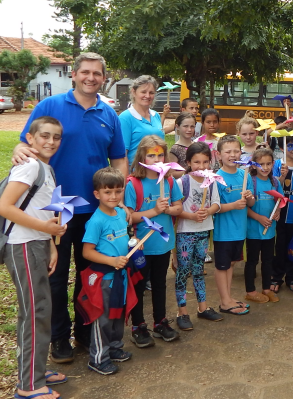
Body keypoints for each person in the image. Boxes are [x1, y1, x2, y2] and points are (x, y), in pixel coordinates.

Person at [13, 52, 128, 364]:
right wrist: (19, 149)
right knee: (56, 276)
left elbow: (118, 158)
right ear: (74, 75)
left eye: (97, 74)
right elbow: (26, 142)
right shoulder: (50, 106)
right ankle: (59, 337)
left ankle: (85, 331)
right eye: (85, 72)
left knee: (91, 273)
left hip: (96, 211)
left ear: (104, 78)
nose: (91, 78)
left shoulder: (110, 114)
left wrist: (121, 197)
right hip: (54, 211)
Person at [0, 116, 68, 398]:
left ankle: (36, 369)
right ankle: (28, 385)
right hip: (23, 245)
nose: (51, 142)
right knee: (34, 313)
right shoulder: (28, 166)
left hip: (38, 243)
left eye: (56, 137)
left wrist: (50, 242)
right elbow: (5, 206)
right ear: (30, 138)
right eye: (45, 136)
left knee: (40, 310)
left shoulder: (45, 169)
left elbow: (40, 209)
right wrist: (45, 229)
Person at [125, 135, 183, 347]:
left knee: (160, 284)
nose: (157, 159)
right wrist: (154, 210)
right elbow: (130, 216)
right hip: (141, 245)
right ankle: (138, 325)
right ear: (141, 156)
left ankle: (160, 322)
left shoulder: (168, 181)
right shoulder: (133, 184)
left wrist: (169, 209)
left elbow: (179, 207)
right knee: (139, 286)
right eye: (151, 155)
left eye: (160, 155)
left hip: (163, 242)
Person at [80, 167, 133, 375]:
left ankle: (115, 348)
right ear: (97, 194)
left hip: (120, 276)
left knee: (117, 314)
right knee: (102, 319)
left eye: (118, 191)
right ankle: (98, 358)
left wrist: (133, 246)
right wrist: (112, 261)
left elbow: (124, 238)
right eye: (108, 192)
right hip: (104, 279)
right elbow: (87, 252)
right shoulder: (96, 221)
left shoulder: (120, 213)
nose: (113, 196)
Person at [174, 142, 223, 331]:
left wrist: (208, 211)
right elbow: (176, 209)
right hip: (185, 232)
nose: (201, 167)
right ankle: (182, 311)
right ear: (188, 162)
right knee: (183, 272)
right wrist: (192, 216)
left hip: (204, 231)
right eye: (196, 162)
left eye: (205, 162)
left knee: (199, 269)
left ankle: (203, 307)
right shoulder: (182, 182)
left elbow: (217, 204)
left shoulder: (211, 181)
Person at [213, 135, 255, 315]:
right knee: (222, 266)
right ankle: (224, 302)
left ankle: (228, 298)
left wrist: (249, 198)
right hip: (223, 232)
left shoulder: (244, 174)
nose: (232, 154)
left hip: (240, 230)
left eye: (236, 151)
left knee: (231, 264)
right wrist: (233, 205)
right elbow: (213, 208)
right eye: (227, 151)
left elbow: (252, 204)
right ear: (218, 155)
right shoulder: (216, 178)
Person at [245, 148, 283, 304]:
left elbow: (280, 201)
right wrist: (258, 217)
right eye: (261, 164)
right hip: (253, 230)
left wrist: (278, 212)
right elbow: (245, 207)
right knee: (252, 261)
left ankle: (266, 289)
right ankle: (250, 291)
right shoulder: (249, 181)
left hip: (270, 230)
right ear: (254, 165)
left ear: (273, 164)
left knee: (268, 260)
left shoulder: (274, 181)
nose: (265, 168)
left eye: (268, 164)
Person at [270, 138, 293, 293]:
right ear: (281, 147)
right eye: (290, 145)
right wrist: (282, 177)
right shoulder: (277, 165)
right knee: (278, 246)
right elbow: (272, 188)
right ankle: (276, 277)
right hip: (278, 212)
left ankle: (292, 277)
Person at [119, 75, 165, 165]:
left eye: (151, 92)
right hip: (136, 174)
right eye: (143, 92)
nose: (147, 96)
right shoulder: (125, 118)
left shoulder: (156, 116)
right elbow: (122, 155)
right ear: (133, 92)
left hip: (157, 173)